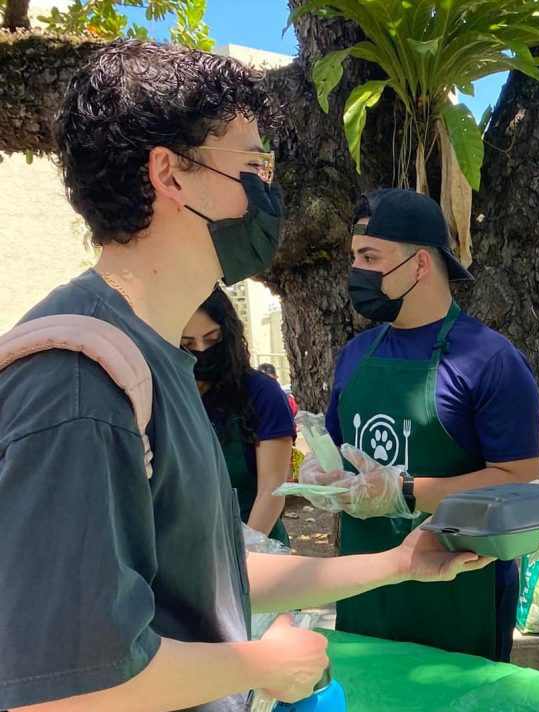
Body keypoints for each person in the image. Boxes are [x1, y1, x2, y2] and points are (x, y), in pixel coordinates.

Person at [0, 41, 491, 711]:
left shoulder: (155, 359)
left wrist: (398, 564)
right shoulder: (80, 381)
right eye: (254, 165)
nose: (269, 190)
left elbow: (207, 576)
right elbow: (64, 684)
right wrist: (264, 664)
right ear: (169, 175)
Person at [299, 188, 539, 662]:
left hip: (458, 589)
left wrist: (404, 492)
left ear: (420, 265)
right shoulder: (355, 354)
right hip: (365, 583)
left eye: (371, 256)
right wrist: (319, 469)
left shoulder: (490, 360)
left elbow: (520, 479)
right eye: (354, 257)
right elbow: (338, 445)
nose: (357, 272)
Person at [182, 288, 295, 545]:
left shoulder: (262, 393)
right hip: (188, 548)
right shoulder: (163, 396)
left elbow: (272, 488)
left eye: (212, 339)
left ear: (229, 334)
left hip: (254, 537)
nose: (201, 350)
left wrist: (247, 552)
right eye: (187, 344)